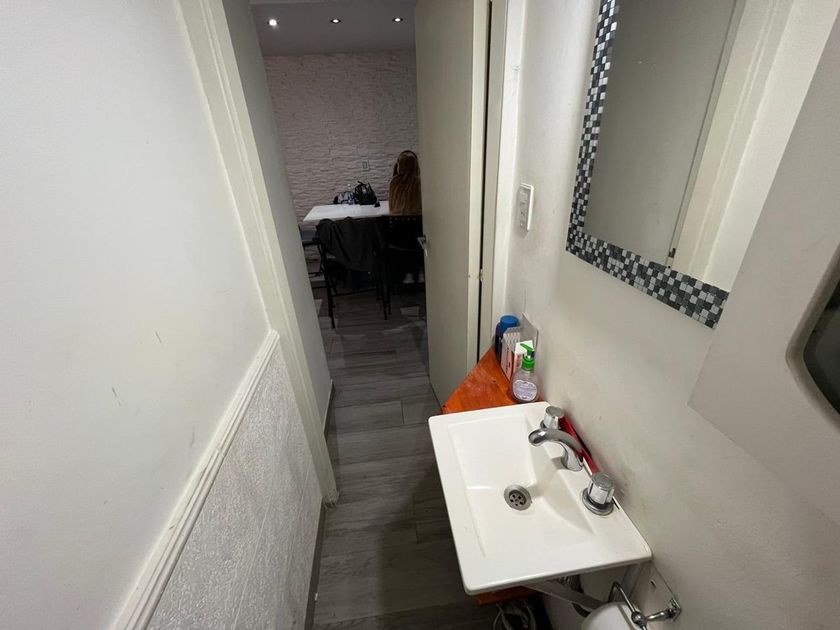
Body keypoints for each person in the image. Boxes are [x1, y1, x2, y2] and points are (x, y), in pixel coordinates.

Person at [388, 150, 422, 216]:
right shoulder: (418, 182)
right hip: (416, 220)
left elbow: (391, 208)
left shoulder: (393, 182)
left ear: (399, 165)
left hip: (396, 221)